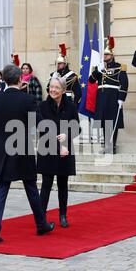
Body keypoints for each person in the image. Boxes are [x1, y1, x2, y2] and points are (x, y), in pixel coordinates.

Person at [0, 64, 55, 245]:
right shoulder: (27, 100)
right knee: (31, 188)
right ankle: (41, 224)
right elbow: (38, 124)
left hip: (3, 150)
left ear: (4, 80)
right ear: (19, 80)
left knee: (1, 190)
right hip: (22, 149)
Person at [37, 76, 80, 228]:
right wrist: (58, 145)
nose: (53, 90)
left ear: (63, 90)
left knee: (63, 184)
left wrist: (67, 134)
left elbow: (77, 128)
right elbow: (42, 129)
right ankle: (41, 217)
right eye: (51, 87)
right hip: (48, 149)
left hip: (65, 150)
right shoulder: (42, 106)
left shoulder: (71, 106)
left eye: (56, 88)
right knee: (46, 184)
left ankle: (63, 215)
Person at [90, 37, 129, 154]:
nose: (105, 57)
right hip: (101, 98)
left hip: (113, 97)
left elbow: (125, 83)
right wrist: (98, 70)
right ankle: (106, 146)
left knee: (112, 122)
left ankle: (112, 146)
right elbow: (91, 80)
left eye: (107, 55)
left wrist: (121, 98)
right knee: (103, 122)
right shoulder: (100, 67)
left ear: (112, 55)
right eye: (104, 55)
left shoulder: (119, 67)